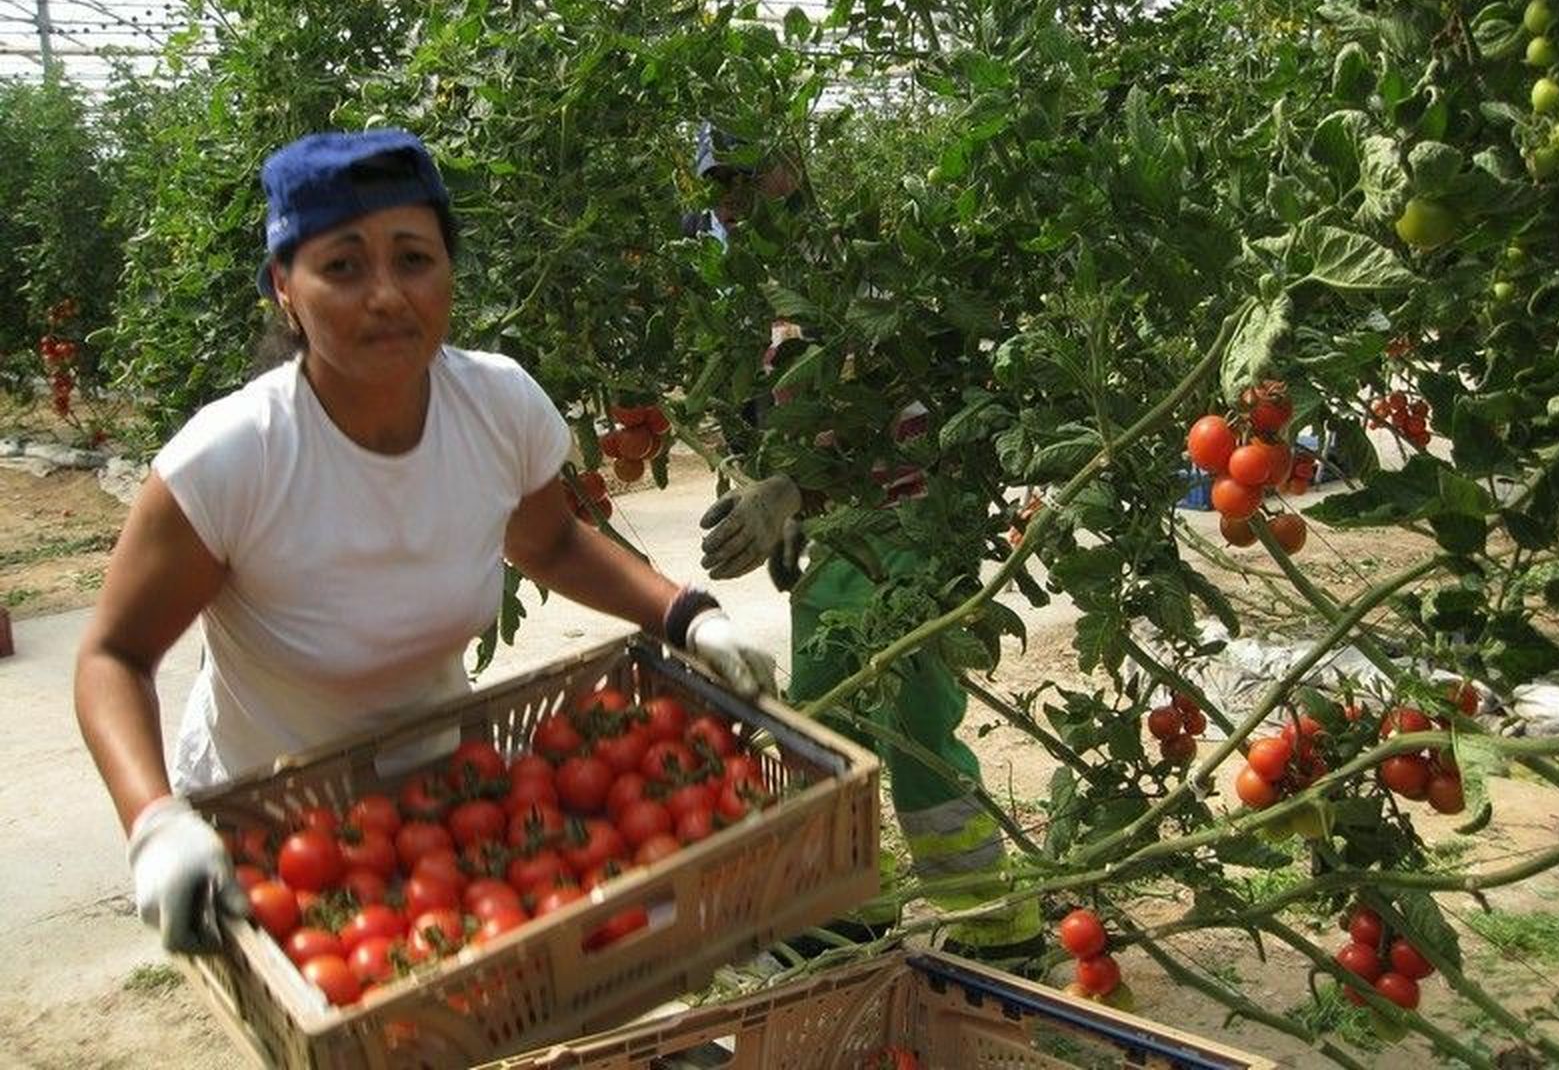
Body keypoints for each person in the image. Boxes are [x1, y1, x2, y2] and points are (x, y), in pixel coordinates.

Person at [74, 128, 776, 955]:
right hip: (279, 832)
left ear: (449, 272)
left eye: (413, 259)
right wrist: (155, 823)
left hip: (446, 798)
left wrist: (687, 616)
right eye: (342, 266)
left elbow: (551, 544)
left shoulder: (497, 406)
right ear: (284, 289)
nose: (386, 295)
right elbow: (112, 657)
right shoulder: (233, 459)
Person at [686, 123, 1044, 961]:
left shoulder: (855, 263)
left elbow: (881, 401)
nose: (732, 203)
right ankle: (843, 910)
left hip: (913, 520)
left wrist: (790, 491)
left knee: (915, 726)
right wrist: (781, 498)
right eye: (718, 188)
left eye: (745, 179)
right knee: (822, 722)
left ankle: (998, 927)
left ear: (790, 166)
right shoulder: (750, 287)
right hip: (842, 534)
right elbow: (781, 413)